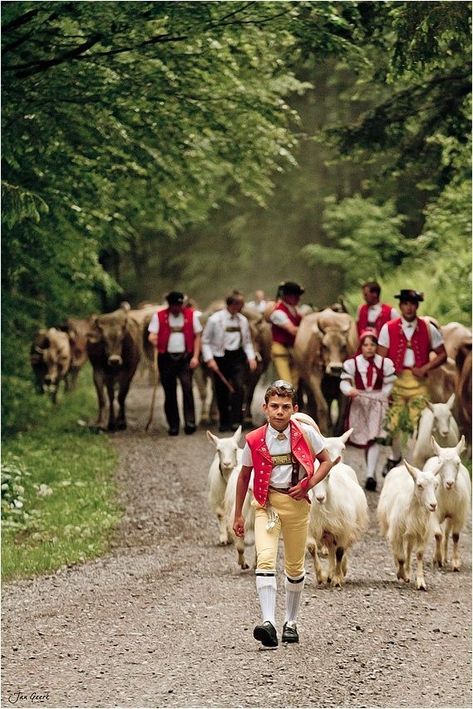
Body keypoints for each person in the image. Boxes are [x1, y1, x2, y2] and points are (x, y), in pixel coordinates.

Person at [233, 380, 336, 648]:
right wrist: (238, 515)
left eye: (285, 407)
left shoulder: (306, 434)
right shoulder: (254, 439)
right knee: (265, 560)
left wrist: (309, 484)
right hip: (266, 504)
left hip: (297, 504)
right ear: (264, 408)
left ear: (294, 409)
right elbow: (244, 476)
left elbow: (326, 461)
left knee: (294, 565)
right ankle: (268, 622)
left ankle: (291, 621)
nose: (280, 412)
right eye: (275, 406)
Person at [377, 289, 447, 475]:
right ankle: (394, 457)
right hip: (396, 383)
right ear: (400, 306)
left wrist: (425, 368)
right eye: (405, 304)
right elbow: (380, 358)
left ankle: (418, 461)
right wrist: (390, 368)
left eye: (412, 304)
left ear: (417, 306)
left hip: (419, 383)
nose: (409, 307)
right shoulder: (388, 328)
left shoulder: (428, 328)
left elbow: (443, 354)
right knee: (393, 423)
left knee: (420, 423)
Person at [340, 329, 396, 491]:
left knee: (374, 437)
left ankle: (370, 475)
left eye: (373, 344)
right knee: (366, 438)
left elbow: (390, 382)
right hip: (360, 403)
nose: (369, 348)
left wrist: (385, 393)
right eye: (366, 345)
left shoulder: (384, 363)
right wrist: (349, 389)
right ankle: (370, 471)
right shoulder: (353, 363)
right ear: (361, 346)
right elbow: (343, 383)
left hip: (377, 403)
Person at [202, 290, 257, 432]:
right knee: (221, 390)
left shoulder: (242, 320)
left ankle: (236, 420)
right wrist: (209, 359)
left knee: (239, 387)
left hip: (237, 357)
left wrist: (251, 357)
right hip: (220, 357)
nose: (241, 307)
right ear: (231, 304)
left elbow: (247, 342)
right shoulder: (215, 319)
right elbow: (205, 341)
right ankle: (224, 421)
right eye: (239, 304)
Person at [148, 291, 202, 436]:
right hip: (166, 358)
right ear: (169, 304)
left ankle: (190, 422)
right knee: (169, 391)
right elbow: (152, 335)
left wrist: (195, 356)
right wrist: (154, 340)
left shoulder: (191, 315)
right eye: (175, 305)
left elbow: (197, 336)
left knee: (187, 388)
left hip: (185, 358)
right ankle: (173, 425)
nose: (177, 308)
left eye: (179, 304)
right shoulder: (159, 316)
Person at [269, 281, 304, 387]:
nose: (298, 299)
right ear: (287, 296)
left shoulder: (295, 310)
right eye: (295, 296)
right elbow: (292, 330)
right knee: (287, 384)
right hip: (281, 351)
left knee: (295, 384)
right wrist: (308, 330)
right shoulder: (278, 313)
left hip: (294, 352)